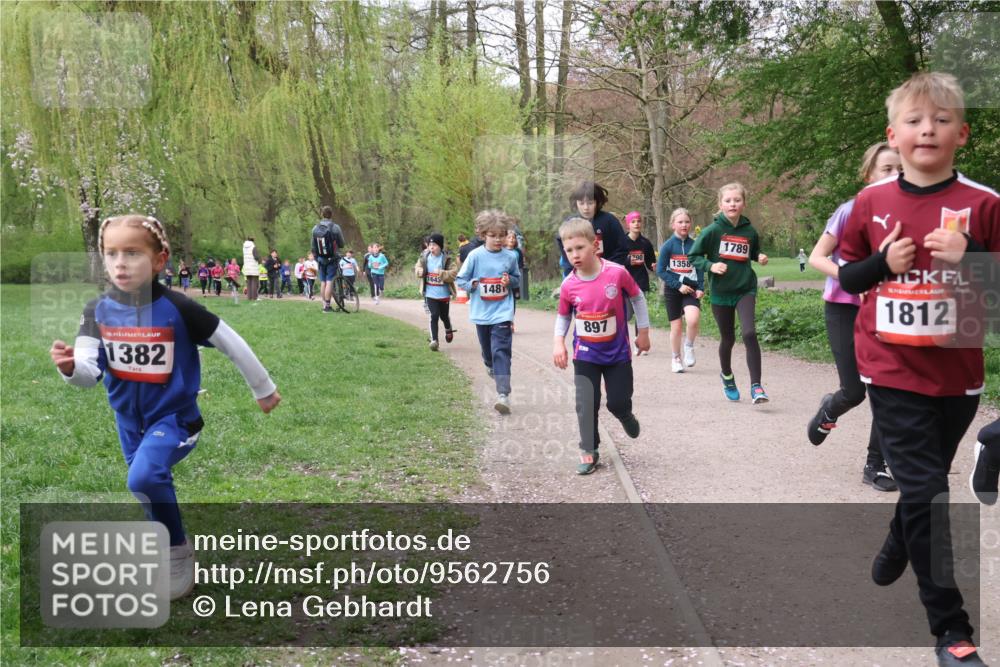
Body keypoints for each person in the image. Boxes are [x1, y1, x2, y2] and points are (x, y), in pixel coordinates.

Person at [837, 71, 999, 667]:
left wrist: (972, 256)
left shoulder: (985, 205)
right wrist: (883, 263)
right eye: (914, 120)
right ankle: (951, 631)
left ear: (962, 133)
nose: (926, 129)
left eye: (941, 119)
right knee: (930, 493)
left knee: (922, 488)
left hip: (957, 374)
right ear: (893, 134)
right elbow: (847, 276)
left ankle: (898, 537)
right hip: (890, 367)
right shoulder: (870, 203)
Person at [49, 214, 280, 601]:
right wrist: (71, 368)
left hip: (175, 420)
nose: (120, 263)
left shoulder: (179, 308)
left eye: (132, 253)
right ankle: (163, 545)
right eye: (111, 254)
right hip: (127, 423)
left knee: (142, 478)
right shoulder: (96, 311)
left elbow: (231, 342)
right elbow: (90, 373)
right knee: (146, 486)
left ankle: (176, 550)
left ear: (159, 260)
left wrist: (263, 388)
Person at [806, 142, 902, 494]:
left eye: (901, 170)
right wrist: (852, 278)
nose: (895, 176)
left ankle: (875, 465)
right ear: (868, 175)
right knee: (854, 391)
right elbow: (817, 257)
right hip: (844, 308)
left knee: (888, 392)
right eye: (887, 169)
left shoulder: (908, 215)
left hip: (886, 311)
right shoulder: (850, 210)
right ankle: (829, 410)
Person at [553, 218, 650, 474]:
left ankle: (625, 414)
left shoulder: (616, 273)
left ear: (595, 245)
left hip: (617, 353)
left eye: (580, 248)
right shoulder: (568, 284)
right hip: (585, 353)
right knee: (586, 402)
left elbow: (638, 298)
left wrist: (643, 332)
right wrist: (558, 343)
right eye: (569, 250)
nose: (575, 255)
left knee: (617, 401)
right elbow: (563, 316)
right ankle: (589, 449)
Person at [689, 182, 770, 403]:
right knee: (728, 338)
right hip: (721, 292)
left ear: (744, 203)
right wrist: (711, 266)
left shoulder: (749, 230)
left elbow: (753, 252)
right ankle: (727, 375)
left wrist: (759, 256)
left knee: (749, 333)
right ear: (720, 204)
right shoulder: (712, 231)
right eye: (728, 200)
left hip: (745, 288)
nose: (732, 204)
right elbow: (693, 256)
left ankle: (756, 387)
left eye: (737, 200)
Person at [456, 210, 521, 414]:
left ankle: (503, 395)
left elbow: (517, 279)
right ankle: (490, 365)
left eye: (502, 235)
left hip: (502, 312)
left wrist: (510, 281)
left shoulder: (510, 256)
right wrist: (473, 284)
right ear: (483, 235)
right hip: (482, 313)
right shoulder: (475, 256)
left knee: (501, 350)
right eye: (493, 235)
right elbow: (460, 280)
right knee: (488, 353)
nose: (498, 239)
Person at [656, 208, 704, 374]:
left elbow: (699, 267)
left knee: (693, 320)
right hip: (673, 290)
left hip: (691, 289)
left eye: (687, 222)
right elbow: (661, 270)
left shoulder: (695, 245)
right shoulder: (668, 246)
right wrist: (678, 285)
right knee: (676, 327)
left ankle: (689, 346)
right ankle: (676, 358)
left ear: (691, 224)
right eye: (680, 222)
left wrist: (700, 287)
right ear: (673, 225)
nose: (684, 225)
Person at [555, 181, 629, 271]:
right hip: (580, 274)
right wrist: (573, 268)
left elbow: (622, 249)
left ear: (598, 202)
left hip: (608, 272)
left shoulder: (610, 221)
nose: (586, 208)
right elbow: (561, 241)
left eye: (590, 203)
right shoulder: (569, 223)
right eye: (581, 203)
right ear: (576, 202)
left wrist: (607, 268)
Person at [416, 233, 458, 351]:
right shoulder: (424, 257)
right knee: (434, 315)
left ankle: (448, 329)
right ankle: (434, 340)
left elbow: (454, 273)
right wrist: (419, 271)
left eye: (434, 245)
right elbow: (417, 267)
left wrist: (441, 273)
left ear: (440, 246)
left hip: (443, 294)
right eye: (430, 245)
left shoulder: (447, 259)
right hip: (430, 293)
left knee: (444, 316)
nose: (431, 247)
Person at [311, 205, 347, 312]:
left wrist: (317, 257)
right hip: (332, 258)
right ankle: (327, 306)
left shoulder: (315, 228)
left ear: (322, 214)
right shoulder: (335, 227)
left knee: (323, 281)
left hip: (320, 258)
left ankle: (324, 305)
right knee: (329, 281)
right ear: (331, 214)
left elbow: (313, 246)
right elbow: (342, 244)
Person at [242, 236, 261, 301]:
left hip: (247, 266)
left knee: (249, 282)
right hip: (253, 267)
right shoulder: (253, 247)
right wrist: (260, 260)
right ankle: (254, 297)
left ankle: (249, 297)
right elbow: (256, 257)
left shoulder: (244, 247)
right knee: (254, 282)